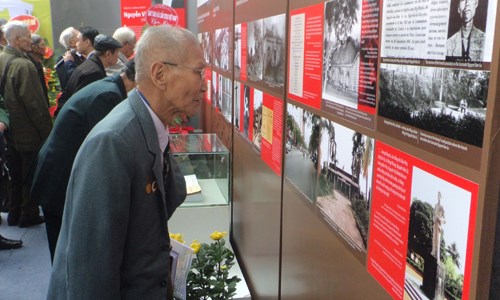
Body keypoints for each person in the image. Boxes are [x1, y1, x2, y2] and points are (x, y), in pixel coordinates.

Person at [47, 25, 206, 299]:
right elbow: (91, 272)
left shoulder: (150, 126)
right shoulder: (113, 142)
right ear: (160, 74)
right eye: (198, 72)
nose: (204, 84)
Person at [31, 59, 136, 262]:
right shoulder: (109, 96)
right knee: (65, 254)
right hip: (58, 181)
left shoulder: (108, 87)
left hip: (57, 174)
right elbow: (101, 151)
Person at [0, 21, 52, 228]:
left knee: (13, 173)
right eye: (27, 36)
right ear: (15, 40)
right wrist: (48, 134)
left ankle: (13, 213)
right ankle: (27, 214)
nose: (31, 40)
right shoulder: (25, 65)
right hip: (27, 131)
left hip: (8, 130)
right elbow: (36, 106)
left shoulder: (2, 58)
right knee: (29, 174)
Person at [55, 34, 122, 116]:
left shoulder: (89, 65)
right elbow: (85, 105)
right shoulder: (94, 73)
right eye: (117, 52)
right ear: (108, 53)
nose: (118, 56)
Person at [54, 27, 85, 92]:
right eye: (78, 36)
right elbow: (67, 84)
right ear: (72, 42)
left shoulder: (83, 55)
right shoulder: (63, 60)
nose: (83, 37)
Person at [28, 34, 49, 106]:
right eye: (42, 44)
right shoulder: (29, 65)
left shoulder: (38, 62)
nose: (45, 47)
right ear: (33, 47)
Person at [431, 192, 446, 259]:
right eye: (438, 196)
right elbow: (433, 215)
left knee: (438, 241)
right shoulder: (435, 206)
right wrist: (434, 219)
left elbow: (445, 220)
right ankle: (433, 252)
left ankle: (437, 256)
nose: (438, 197)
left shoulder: (442, 207)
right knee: (434, 239)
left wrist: (440, 219)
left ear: (441, 197)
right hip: (435, 224)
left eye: (440, 196)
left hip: (439, 225)